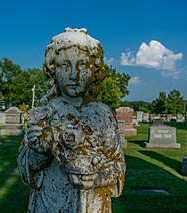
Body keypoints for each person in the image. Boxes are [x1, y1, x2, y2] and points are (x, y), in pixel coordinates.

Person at [18, 28, 126, 213]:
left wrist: (98, 179)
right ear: (53, 69)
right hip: (49, 202)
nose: (74, 75)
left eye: (83, 65)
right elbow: (26, 168)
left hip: (93, 203)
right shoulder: (42, 114)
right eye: (65, 66)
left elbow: (117, 165)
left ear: (95, 70)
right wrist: (39, 153)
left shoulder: (102, 114)